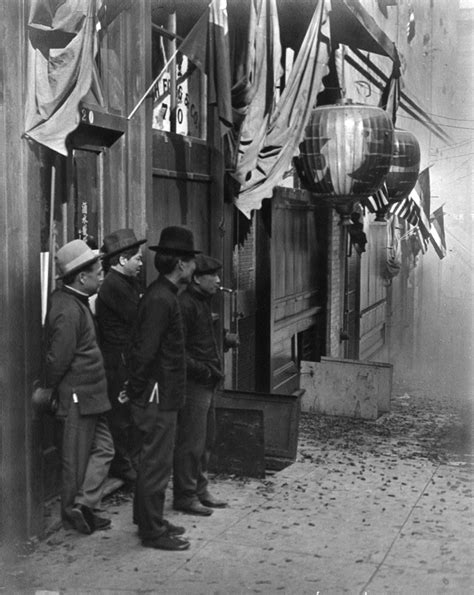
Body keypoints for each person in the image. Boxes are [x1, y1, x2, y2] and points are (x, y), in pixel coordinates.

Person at [126, 226, 200, 551]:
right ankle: (152, 531)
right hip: (157, 395)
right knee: (155, 463)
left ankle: (149, 520)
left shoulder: (163, 295)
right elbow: (144, 352)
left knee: (155, 461)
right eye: (192, 261)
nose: (195, 268)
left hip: (161, 393)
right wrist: (140, 391)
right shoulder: (161, 299)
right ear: (181, 265)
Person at [45, 239, 114, 535]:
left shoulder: (74, 303)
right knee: (74, 462)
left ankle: (83, 504)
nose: (101, 276)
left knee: (105, 449)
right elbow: (56, 359)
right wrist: (47, 388)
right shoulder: (69, 309)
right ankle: (75, 514)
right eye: (98, 271)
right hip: (77, 397)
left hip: (90, 396)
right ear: (82, 277)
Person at [173, 254, 238, 516]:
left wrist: (224, 340)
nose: (219, 281)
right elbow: (178, 350)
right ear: (198, 278)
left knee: (206, 439)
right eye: (214, 276)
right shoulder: (185, 304)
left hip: (207, 380)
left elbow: (204, 338)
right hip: (195, 383)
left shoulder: (201, 301)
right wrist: (204, 371)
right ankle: (185, 495)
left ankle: (200, 489)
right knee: (191, 441)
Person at [96, 228, 146, 486]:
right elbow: (138, 319)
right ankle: (123, 465)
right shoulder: (115, 286)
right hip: (117, 361)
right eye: (137, 258)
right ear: (123, 260)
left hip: (124, 357)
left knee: (128, 412)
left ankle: (128, 462)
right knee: (122, 414)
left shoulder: (122, 283)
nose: (140, 262)